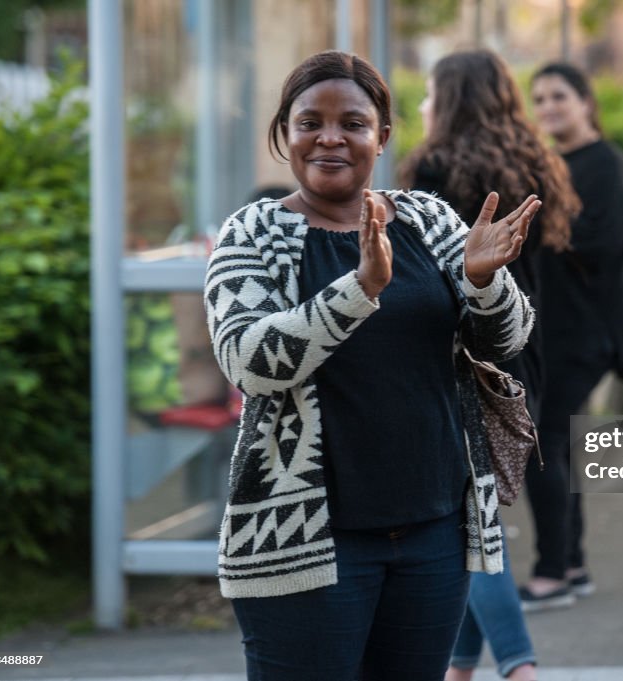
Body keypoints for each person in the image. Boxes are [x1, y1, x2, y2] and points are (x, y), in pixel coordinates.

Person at [204, 50, 541, 681]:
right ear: (285, 133)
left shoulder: (427, 220)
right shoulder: (252, 234)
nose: (330, 137)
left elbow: (509, 339)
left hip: (434, 530)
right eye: (310, 122)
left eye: (352, 123)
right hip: (303, 536)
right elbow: (249, 361)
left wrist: (482, 281)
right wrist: (358, 290)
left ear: (381, 137)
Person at [400, 49, 579, 681]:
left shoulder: (432, 168)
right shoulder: (536, 159)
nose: (421, 106)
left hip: (459, 357)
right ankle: (460, 668)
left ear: (448, 99)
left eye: (428, 94)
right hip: (519, 348)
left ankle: (518, 668)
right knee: (474, 512)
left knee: (468, 520)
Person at [520, 61, 623, 610]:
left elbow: (605, 242)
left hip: (587, 333)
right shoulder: (546, 166)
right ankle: (573, 563)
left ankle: (551, 574)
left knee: (542, 444)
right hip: (554, 331)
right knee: (558, 445)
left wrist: (543, 226)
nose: (548, 108)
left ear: (586, 101)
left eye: (559, 96)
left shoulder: (605, 165)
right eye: (540, 99)